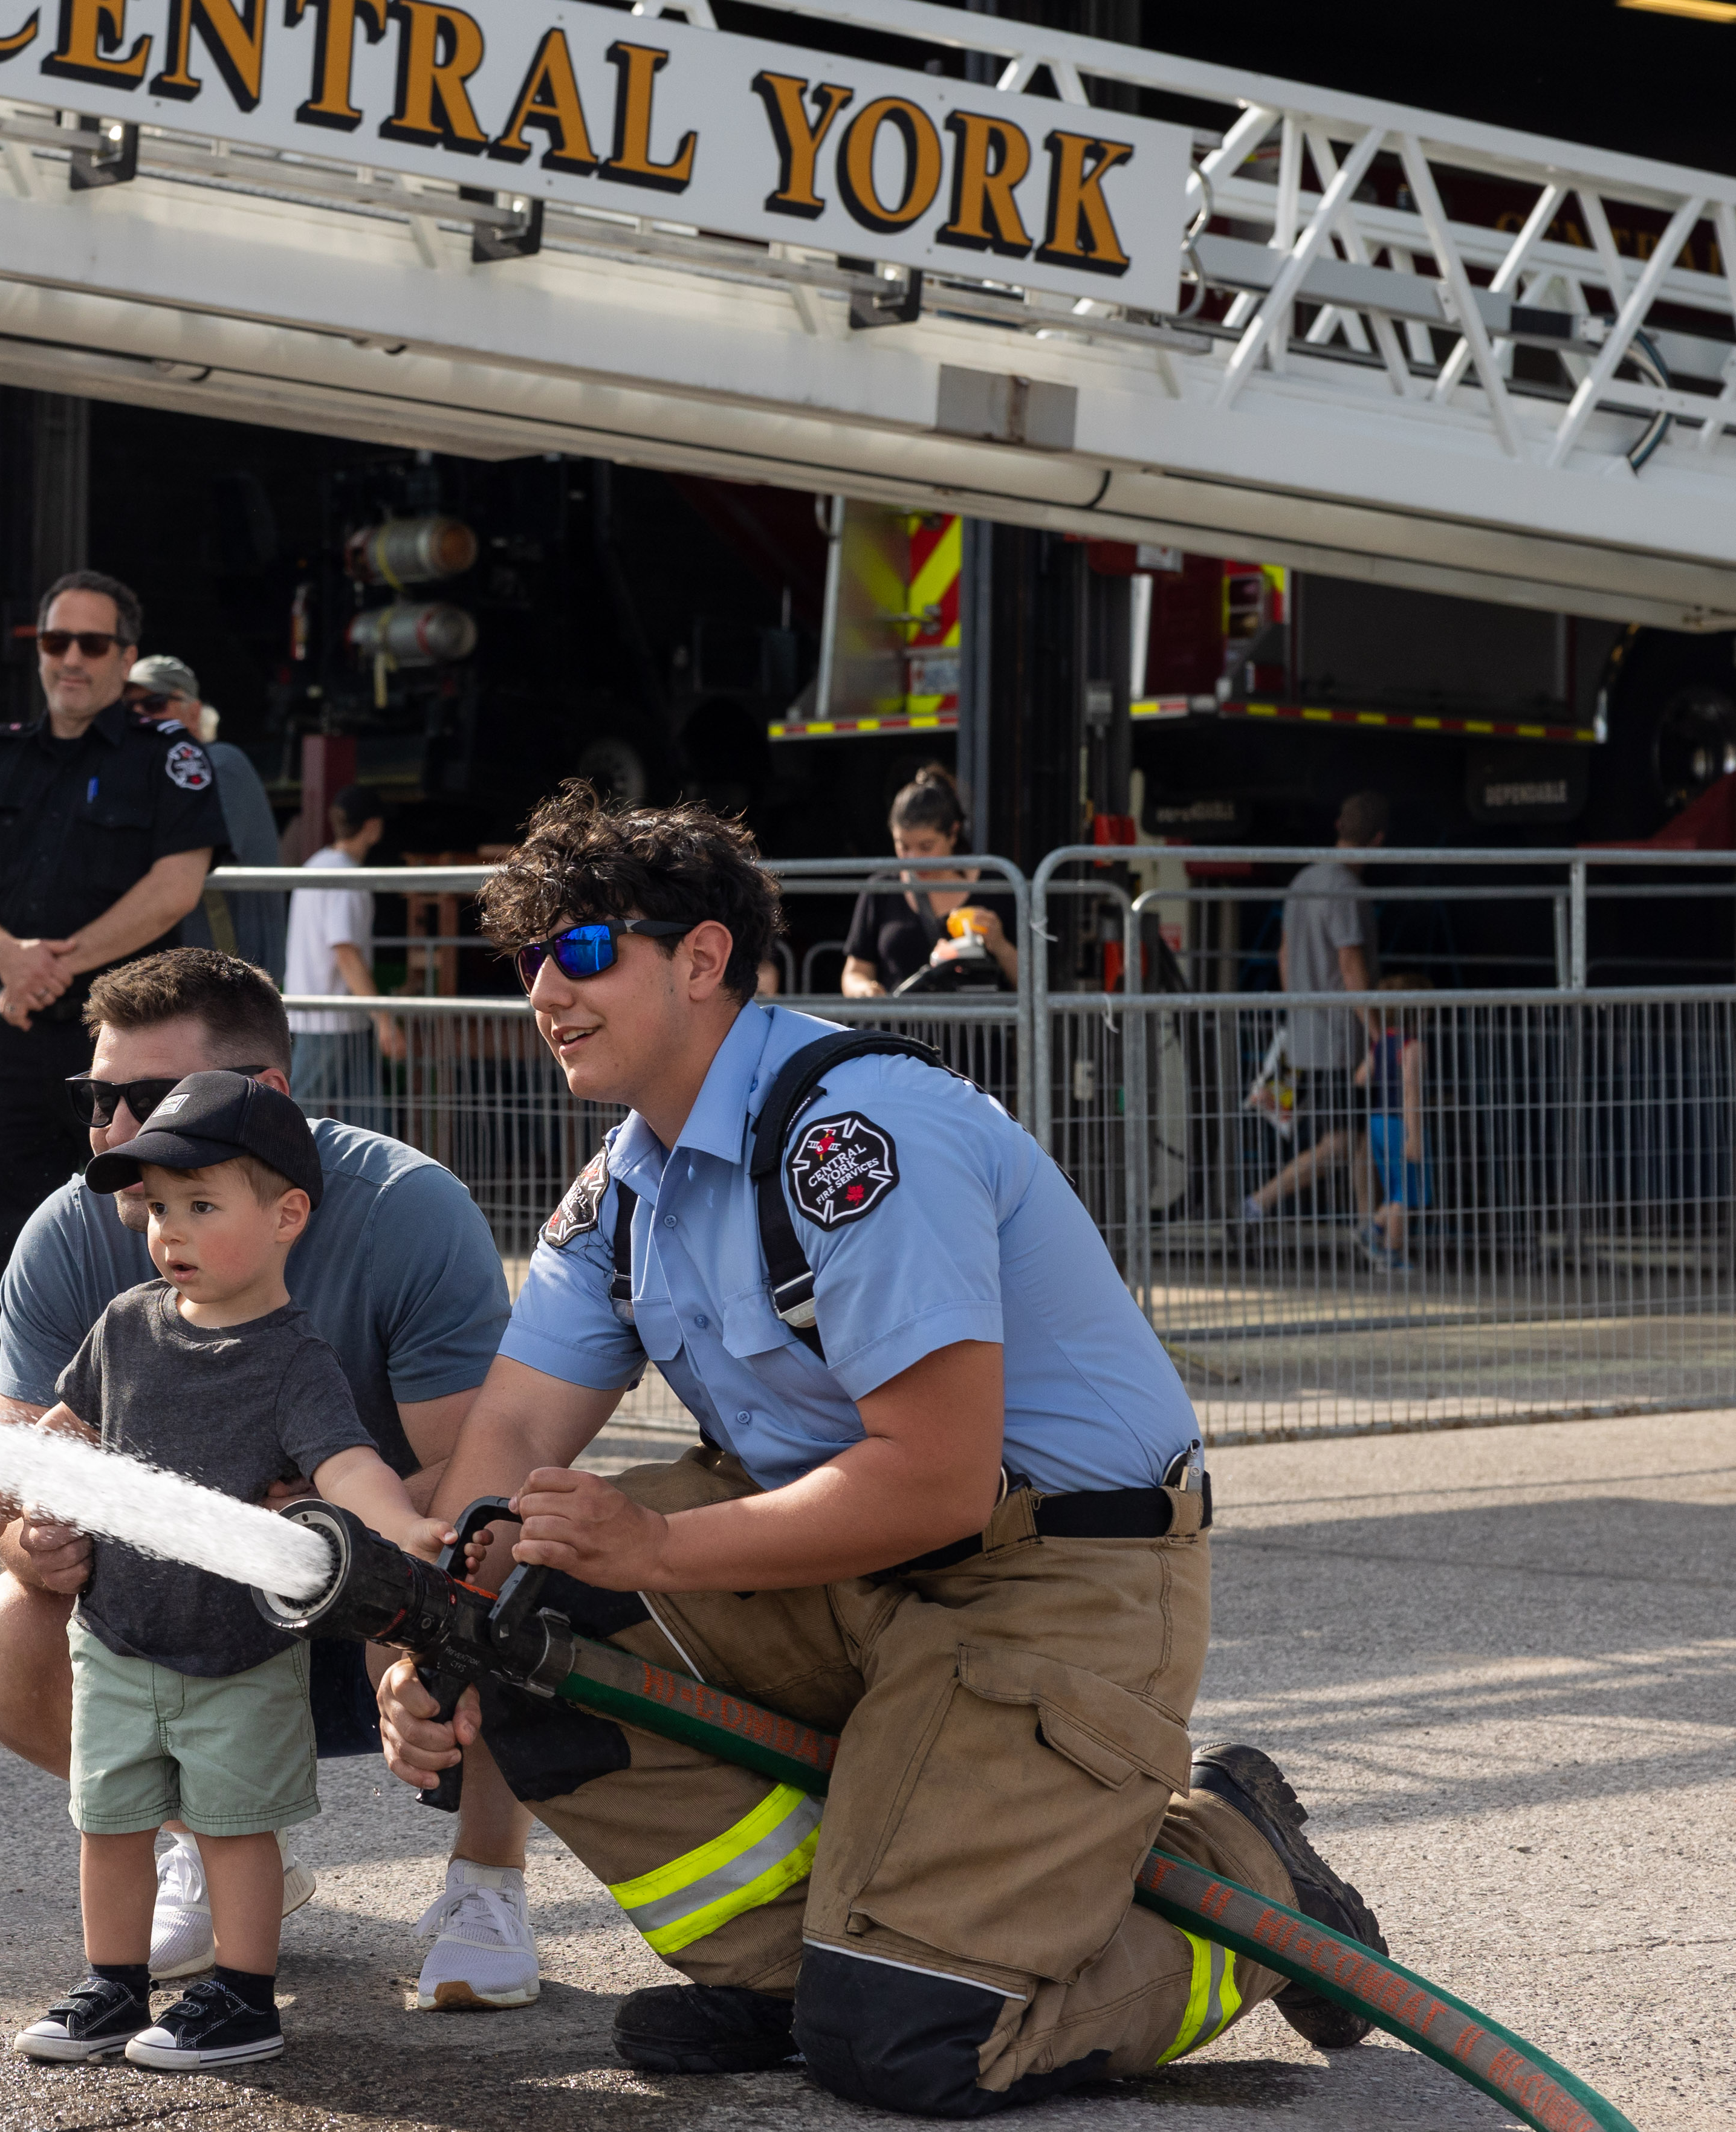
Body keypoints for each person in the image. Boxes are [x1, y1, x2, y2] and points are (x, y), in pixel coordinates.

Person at [377, 783, 1381, 2113]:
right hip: (845, 1567)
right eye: (525, 961)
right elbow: (503, 1435)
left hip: (1048, 1578)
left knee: (905, 2047)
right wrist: (428, 1634)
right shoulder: (625, 1180)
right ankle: (809, 1969)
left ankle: (1241, 1862)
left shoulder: (853, 1137)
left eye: (578, 950)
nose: (542, 992)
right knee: (520, 1600)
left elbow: (935, 1472)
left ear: (700, 957)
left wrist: (662, 1543)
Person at [0, 948, 534, 2015]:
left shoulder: (409, 1209)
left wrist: (344, 1549)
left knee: (507, 1554)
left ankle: (487, 1881)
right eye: (95, 1097)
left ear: (262, 1101)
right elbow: (26, 1466)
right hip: (168, 1604)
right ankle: (202, 1846)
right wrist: (26, 1537)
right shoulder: (70, 1239)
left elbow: (472, 1469)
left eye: (143, 1100)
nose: (111, 1133)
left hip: (360, 1572)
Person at [0, 570, 231, 1398]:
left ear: (124, 657)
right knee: (5, 1253)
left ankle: (150, 1446)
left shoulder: (169, 758)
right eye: (55, 641)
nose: (70, 658)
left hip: (132, 1057)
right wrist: (9, 956)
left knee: (151, 1246)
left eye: (92, 644)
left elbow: (176, 884)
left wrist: (59, 959)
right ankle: (15, 1455)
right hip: (13, 1041)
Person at [1243, 791, 1388, 1239]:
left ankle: (1370, 1231)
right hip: (1341, 1041)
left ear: (1338, 826)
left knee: (1359, 1135)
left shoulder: (1302, 881)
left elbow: (1285, 955)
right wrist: (1377, 1032)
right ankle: (1254, 1205)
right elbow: (1350, 965)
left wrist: (1299, 1011)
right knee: (1342, 1141)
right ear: (1379, 841)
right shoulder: (1345, 889)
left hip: (1305, 1032)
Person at [129, 655, 287, 985]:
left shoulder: (221, 765)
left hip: (227, 991)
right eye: (127, 708)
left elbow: (162, 862)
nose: (139, 716)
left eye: (154, 704)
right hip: (192, 985)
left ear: (194, 712)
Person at [281, 787, 405, 1136]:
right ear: (371, 826)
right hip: (334, 1019)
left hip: (319, 1012)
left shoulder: (317, 864)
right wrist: (383, 1019)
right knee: (317, 1118)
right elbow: (346, 952)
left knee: (347, 1119)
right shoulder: (348, 877)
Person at [839, 767, 1015, 996]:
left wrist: (999, 943)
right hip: (896, 1030)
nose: (913, 859)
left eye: (926, 847)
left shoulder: (995, 885)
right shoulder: (881, 889)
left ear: (953, 833)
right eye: (903, 846)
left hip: (972, 1031)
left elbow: (1033, 984)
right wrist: (865, 990)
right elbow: (854, 974)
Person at [1359, 973, 1434, 1273]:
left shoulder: (1381, 1044)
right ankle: (1391, 1252)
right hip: (1399, 1123)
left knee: (1394, 1187)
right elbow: (1411, 1092)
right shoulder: (1413, 1048)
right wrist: (1414, 1135)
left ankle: (1375, 1232)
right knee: (1406, 1192)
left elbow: (1361, 1077)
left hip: (1377, 1120)